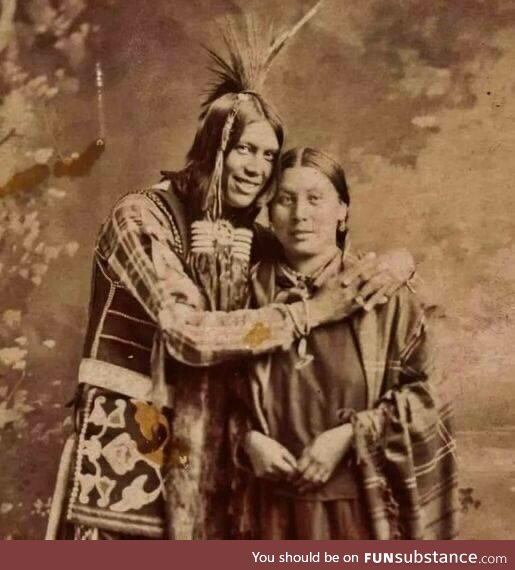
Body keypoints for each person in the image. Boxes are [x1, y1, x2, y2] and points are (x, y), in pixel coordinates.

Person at [46, 7, 416, 541]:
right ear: (213, 145)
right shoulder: (139, 219)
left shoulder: (252, 236)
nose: (256, 167)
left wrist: (400, 264)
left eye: (268, 156)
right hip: (131, 438)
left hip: (219, 451)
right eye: (244, 148)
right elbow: (186, 333)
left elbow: (335, 271)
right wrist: (309, 312)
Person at [232, 147, 458, 540]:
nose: (300, 214)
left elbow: (430, 398)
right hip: (264, 513)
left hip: (361, 512)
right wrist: (246, 440)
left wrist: (352, 435)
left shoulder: (383, 294)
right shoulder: (241, 294)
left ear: (342, 211)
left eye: (315, 198)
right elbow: (213, 392)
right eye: (285, 199)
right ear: (269, 212)